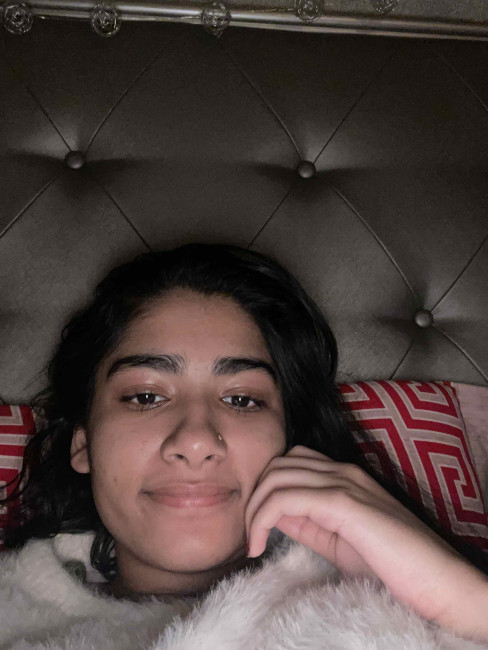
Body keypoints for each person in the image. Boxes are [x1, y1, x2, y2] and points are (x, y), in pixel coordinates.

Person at [1, 242, 488, 647]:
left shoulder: (396, 608)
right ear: (83, 444)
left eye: (241, 400)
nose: (196, 441)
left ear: (288, 440)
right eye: (146, 397)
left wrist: (465, 603)